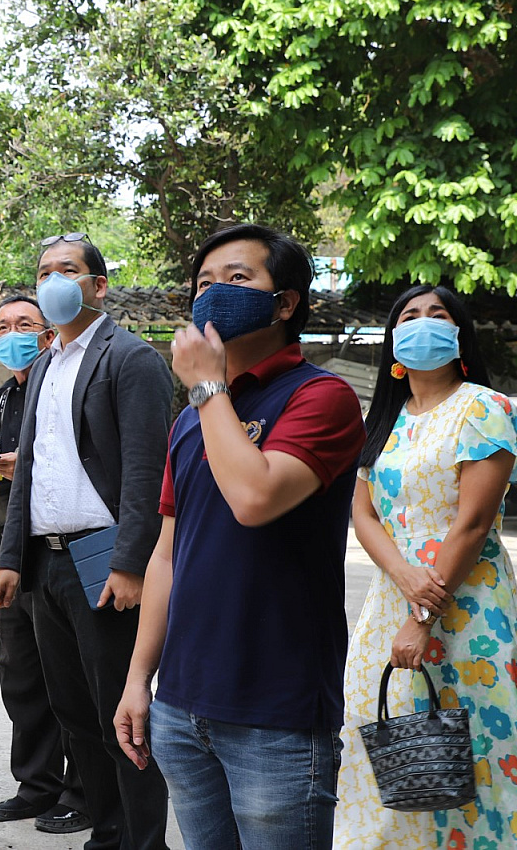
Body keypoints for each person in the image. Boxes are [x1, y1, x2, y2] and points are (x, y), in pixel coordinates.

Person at [114, 222, 365, 850]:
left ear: (285, 303)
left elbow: (255, 498)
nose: (213, 293)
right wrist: (140, 677)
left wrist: (207, 388)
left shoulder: (321, 397)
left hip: (275, 711)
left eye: (237, 278)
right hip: (181, 705)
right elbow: (166, 555)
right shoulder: (190, 421)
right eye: (203, 283)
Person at [334, 285, 517, 849]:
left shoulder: (484, 409)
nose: (423, 323)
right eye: (409, 316)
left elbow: (473, 524)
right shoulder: (381, 420)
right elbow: (362, 514)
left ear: (459, 334)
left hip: (467, 605)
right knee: (385, 739)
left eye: (437, 314)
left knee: (479, 747)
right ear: (393, 341)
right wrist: (404, 577)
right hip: (391, 596)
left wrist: (422, 614)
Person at [0, 232, 174, 850]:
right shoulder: (44, 365)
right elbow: (31, 472)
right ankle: (107, 832)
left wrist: (131, 563)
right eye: (44, 272)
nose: (53, 282)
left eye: (67, 270)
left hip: (103, 556)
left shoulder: (131, 359)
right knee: (73, 712)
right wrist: (11, 559)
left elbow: (148, 472)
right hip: (47, 563)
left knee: (120, 711)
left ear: (99, 285)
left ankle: (142, 840)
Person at [0, 295, 91, 835]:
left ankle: (84, 792)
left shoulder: (63, 387)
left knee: (73, 678)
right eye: (2, 327)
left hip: (58, 551)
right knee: (22, 676)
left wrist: (32, 465)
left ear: (48, 334)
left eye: (24, 324)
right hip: (9, 556)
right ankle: (37, 785)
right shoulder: (0, 400)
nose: (11, 334)